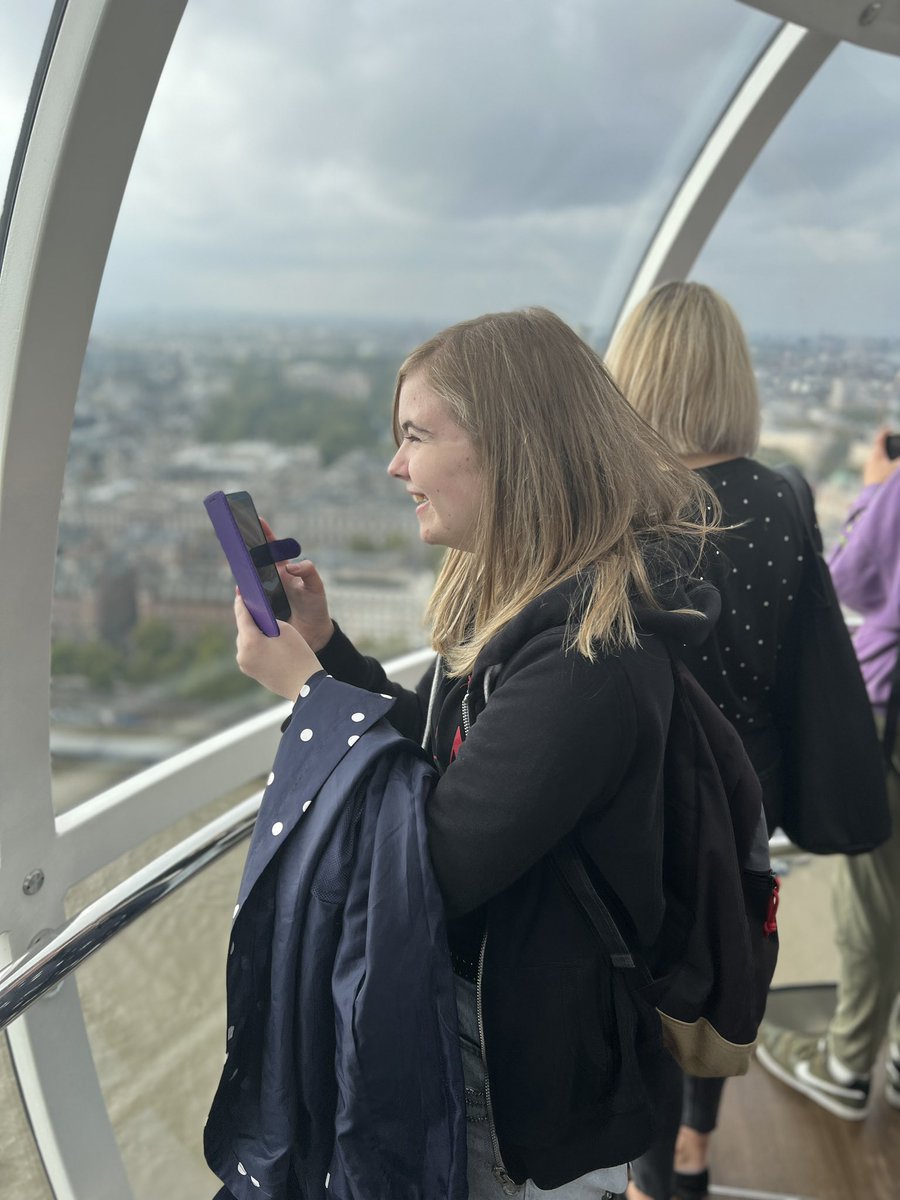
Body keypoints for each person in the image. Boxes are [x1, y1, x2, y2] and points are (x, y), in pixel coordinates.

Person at [232, 306, 724, 1200]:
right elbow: (443, 758)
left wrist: (308, 697)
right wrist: (328, 651)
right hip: (499, 1029)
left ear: (509, 446)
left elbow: (433, 863)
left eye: (416, 436)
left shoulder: (585, 659)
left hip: (512, 1074)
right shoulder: (543, 609)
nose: (396, 465)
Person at [605, 281, 808, 1200]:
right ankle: (694, 1145)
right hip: (749, 782)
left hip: (654, 788)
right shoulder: (784, 496)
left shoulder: (628, 506)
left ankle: (651, 1178)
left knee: (651, 979)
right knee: (729, 952)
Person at [754, 429, 900, 1119]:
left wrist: (878, 489)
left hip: (891, 722)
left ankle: (845, 1064)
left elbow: (848, 578)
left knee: (872, 901)